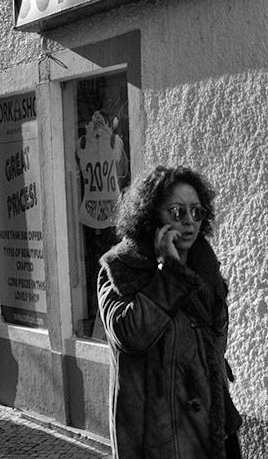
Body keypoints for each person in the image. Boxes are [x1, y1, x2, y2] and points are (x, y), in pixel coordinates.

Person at [98, 166, 241, 459]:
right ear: (152, 216)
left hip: (211, 434)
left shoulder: (206, 268)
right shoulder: (119, 268)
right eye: (177, 212)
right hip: (156, 439)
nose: (189, 222)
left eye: (197, 212)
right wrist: (170, 272)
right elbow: (130, 334)